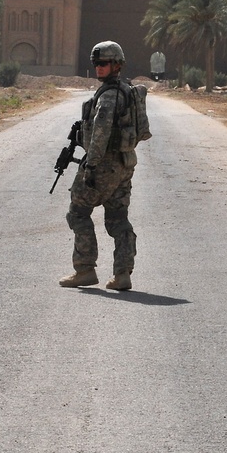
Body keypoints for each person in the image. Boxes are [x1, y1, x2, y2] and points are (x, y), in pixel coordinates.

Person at [59, 41, 139, 291]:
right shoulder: (127, 90)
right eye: (96, 63)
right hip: (124, 164)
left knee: (78, 212)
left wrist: (90, 165)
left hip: (102, 165)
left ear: (116, 65)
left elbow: (101, 132)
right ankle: (122, 274)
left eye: (103, 63)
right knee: (117, 217)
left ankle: (84, 269)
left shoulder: (108, 96)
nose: (98, 68)